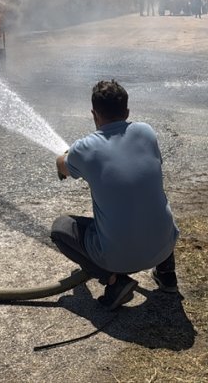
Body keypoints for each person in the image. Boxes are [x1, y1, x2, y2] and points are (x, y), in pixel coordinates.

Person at [51, 80, 179, 310]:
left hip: (119, 258)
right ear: (127, 111)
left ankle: (115, 280)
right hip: (165, 243)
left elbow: (62, 167)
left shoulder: (84, 148)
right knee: (148, 203)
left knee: (61, 228)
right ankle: (167, 274)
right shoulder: (146, 131)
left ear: (93, 114)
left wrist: (67, 154)